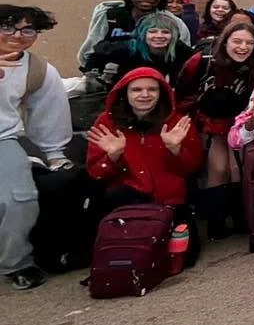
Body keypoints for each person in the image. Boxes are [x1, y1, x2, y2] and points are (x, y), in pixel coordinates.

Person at [0, 4, 73, 290]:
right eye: (7, 27)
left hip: (3, 138)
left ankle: (16, 263)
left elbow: (50, 113)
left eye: (27, 29)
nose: (17, 35)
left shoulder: (38, 69)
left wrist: (55, 155)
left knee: (20, 199)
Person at [174, 17, 254, 239]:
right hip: (211, 121)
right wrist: (201, 107)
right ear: (225, 41)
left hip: (242, 122)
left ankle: (240, 217)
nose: (243, 47)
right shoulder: (203, 61)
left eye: (249, 43)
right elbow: (182, 92)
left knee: (237, 169)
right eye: (237, 41)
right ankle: (216, 221)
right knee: (218, 169)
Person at [85, 68, 203, 224]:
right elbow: (96, 173)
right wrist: (113, 156)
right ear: (125, 93)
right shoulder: (107, 122)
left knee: (184, 247)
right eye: (136, 90)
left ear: (161, 92)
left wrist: (175, 149)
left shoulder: (177, 122)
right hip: (124, 200)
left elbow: (193, 168)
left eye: (152, 89)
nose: (145, 95)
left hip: (170, 201)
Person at [77, 0, 191, 71]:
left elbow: (184, 56)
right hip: (110, 74)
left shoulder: (172, 21)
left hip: (155, 75)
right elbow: (91, 48)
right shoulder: (110, 16)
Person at [95, 12, 194, 87]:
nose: (159, 36)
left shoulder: (182, 52)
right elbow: (99, 50)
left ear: (174, 36)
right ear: (143, 34)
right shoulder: (127, 49)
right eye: (152, 31)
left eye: (165, 32)